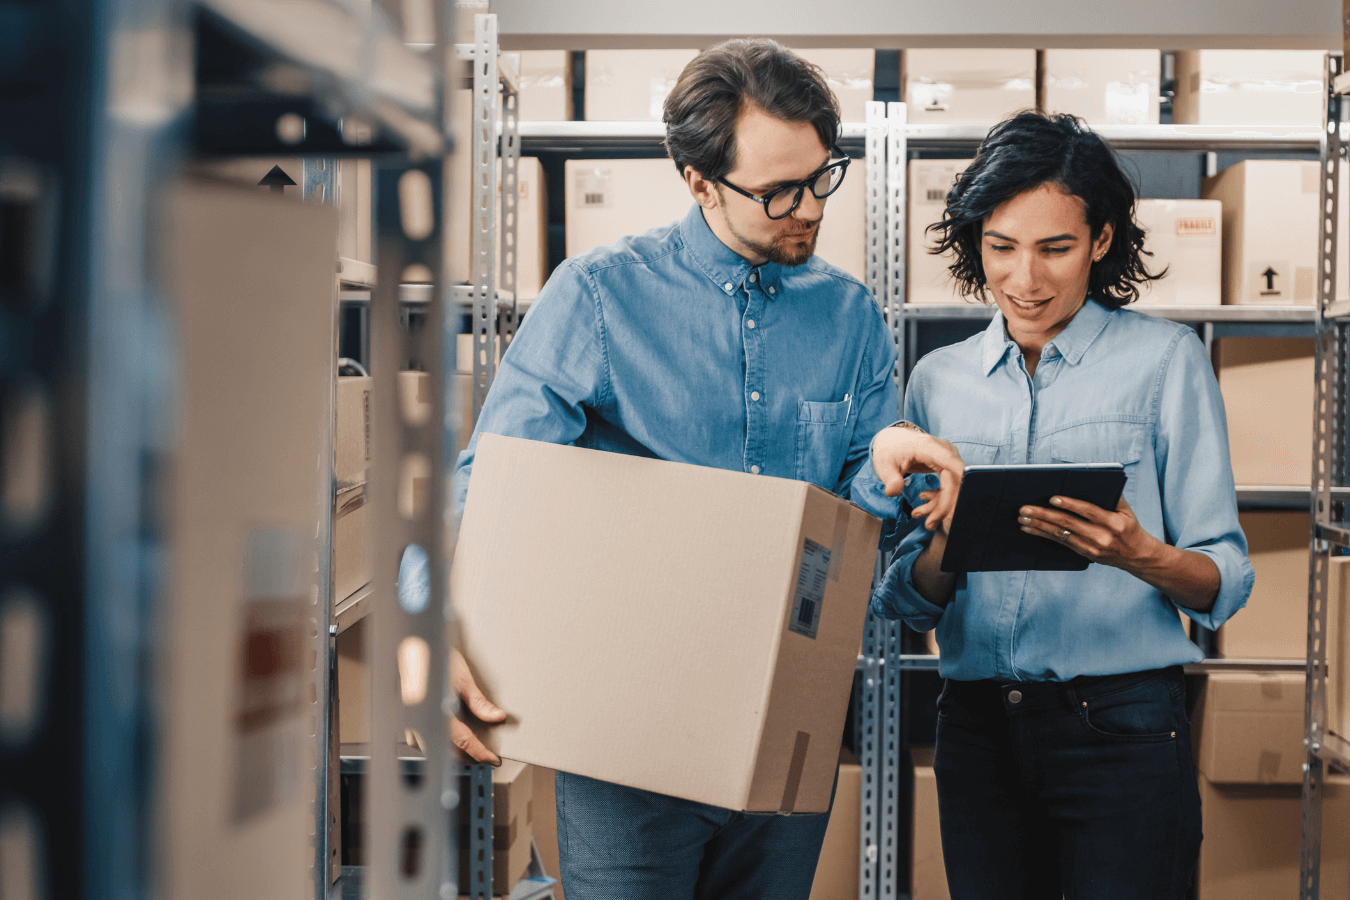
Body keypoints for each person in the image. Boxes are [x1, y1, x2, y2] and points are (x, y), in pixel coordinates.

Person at [443, 38, 963, 900]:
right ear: (697, 181)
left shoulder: (851, 319)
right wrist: (427, 614)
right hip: (627, 738)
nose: (809, 209)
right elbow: (489, 486)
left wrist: (883, 479)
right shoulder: (602, 298)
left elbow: (858, 550)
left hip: (787, 730)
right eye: (777, 192)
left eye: (821, 177)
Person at [868, 111, 1255, 900]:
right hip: (976, 727)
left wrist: (1136, 553)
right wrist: (946, 539)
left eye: (1056, 248)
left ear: (1102, 240)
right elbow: (910, 603)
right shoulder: (937, 382)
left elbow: (1226, 578)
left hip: (1122, 724)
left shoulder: (1165, 362)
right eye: (1001, 247)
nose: (1025, 279)